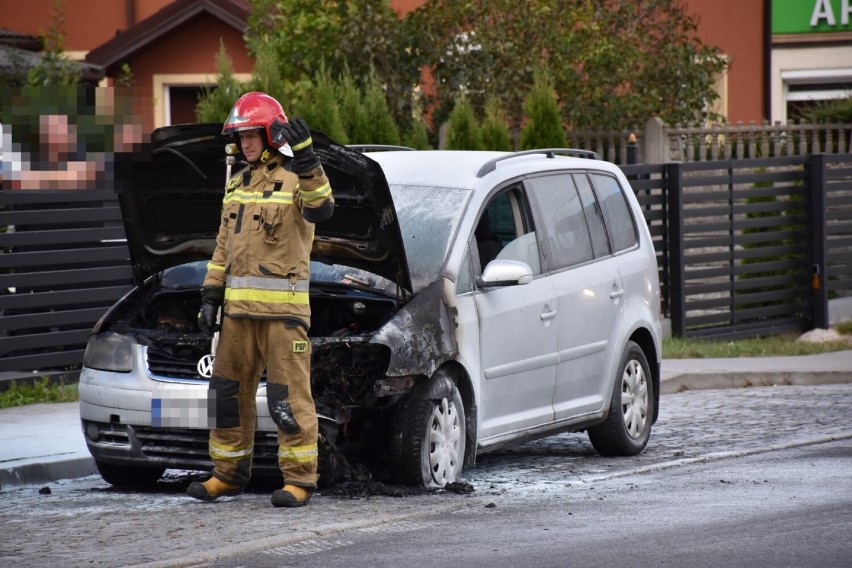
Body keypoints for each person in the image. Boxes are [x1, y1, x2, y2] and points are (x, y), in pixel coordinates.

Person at [187, 92, 334, 507]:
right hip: (237, 315)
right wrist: (211, 294)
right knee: (225, 395)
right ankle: (226, 475)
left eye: (252, 135)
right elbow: (222, 246)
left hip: (283, 316)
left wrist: (307, 159)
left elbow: (322, 207)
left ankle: (300, 481)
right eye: (241, 136)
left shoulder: (295, 179)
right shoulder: (237, 183)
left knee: (287, 398)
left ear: (271, 136)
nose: (246, 143)